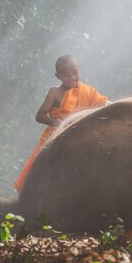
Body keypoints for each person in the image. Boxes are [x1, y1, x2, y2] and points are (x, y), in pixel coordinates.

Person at [14, 55, 108, 192]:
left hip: (78, 134)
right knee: (45, 168)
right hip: (55, 134)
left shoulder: (87, 91)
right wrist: (59, 123)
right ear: (57, 76)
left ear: (79, 70)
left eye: (75, 73)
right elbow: (40, 116)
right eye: (66, 75)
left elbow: (102, 103)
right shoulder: (55, 92)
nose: (72, 78)